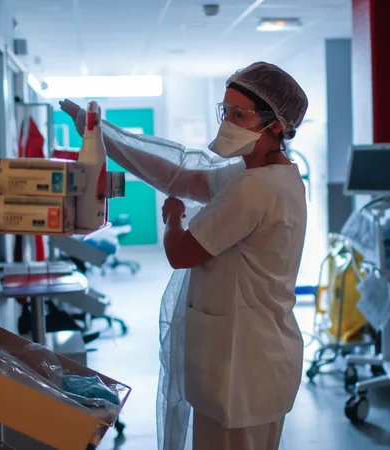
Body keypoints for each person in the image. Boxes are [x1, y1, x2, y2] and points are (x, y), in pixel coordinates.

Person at [60, 61, 309, 450]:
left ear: (276, 124)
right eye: (225, 112)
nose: (227, 123)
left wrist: (173, 218)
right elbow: (179, 176)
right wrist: (101, 136)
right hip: (248, 359)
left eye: (239, 115)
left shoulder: (255, 188)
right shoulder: (264, 176)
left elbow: (181, 252)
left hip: (244, 368)